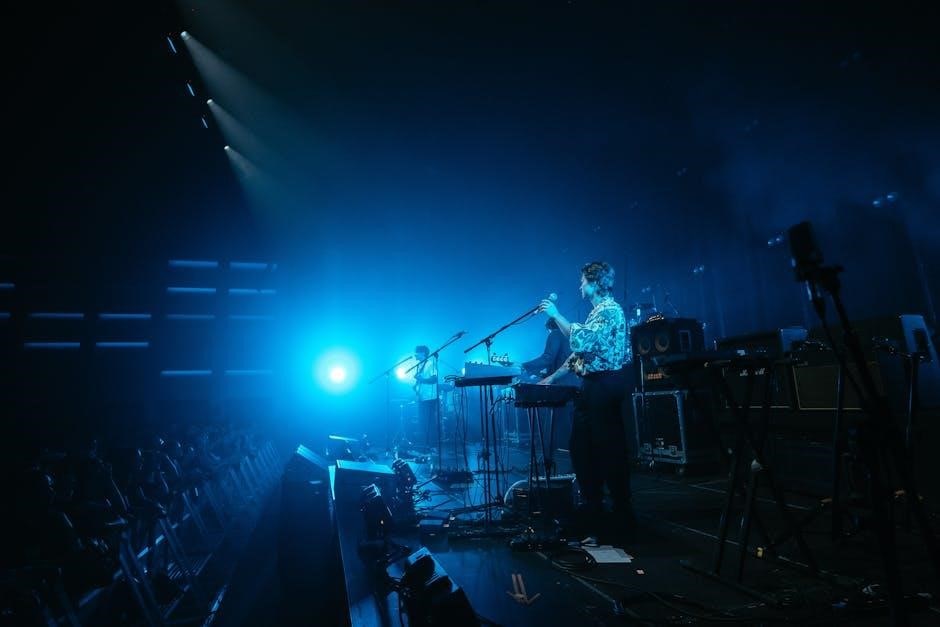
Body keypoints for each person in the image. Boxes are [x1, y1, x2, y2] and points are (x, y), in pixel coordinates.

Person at [538, 261, 634, 534]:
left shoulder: (609, 310)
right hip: (594, 386)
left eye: (582, 281)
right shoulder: (597, 313)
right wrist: (552, 378)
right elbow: (577, 355)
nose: (579, 285)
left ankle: (619, 513)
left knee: (607, 449)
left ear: (594, 283)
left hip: (604, 385)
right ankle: (594, 507)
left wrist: (556, 315)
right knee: (583, 448)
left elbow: (581, 341)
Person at [521, 319, 579, 466]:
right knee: (571, 426)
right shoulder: (570, 336)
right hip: (574, 385)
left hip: (561, 386)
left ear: (549, 327)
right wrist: (542, 374)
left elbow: (548, 357)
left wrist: (525, 366)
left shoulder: (555, 333)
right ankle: (576, 462)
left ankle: (546, 461)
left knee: (550, 424)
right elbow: (560, 362)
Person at [412, 345, 439, 449]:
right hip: (422, 397)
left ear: (423, 353)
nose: (415, 355)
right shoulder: (420, 365)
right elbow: (421, 379)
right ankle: (425, 444)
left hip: (430, 397)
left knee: (430, 422)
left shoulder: (430, 364)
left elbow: (434, 379)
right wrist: (416, 385)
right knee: (423, 421)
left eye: (417, 352)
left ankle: (433, 446)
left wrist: (421, 380)